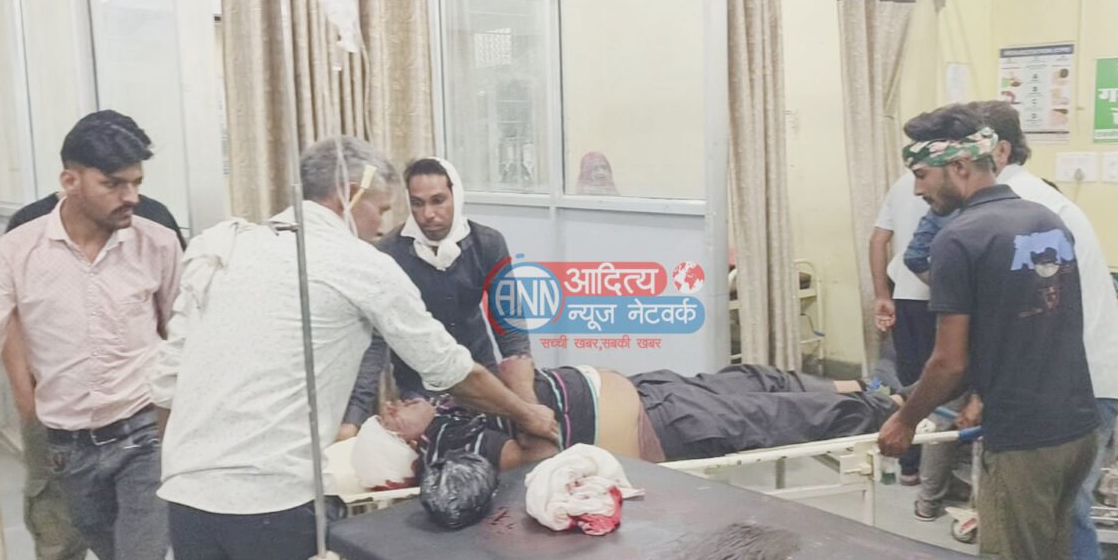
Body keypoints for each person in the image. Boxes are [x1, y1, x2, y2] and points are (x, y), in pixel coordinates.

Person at [152, 136, 558, 560]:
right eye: (383, 208)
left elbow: (168, 381)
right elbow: (445, 367)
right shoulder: (364, 262)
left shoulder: (223, 248)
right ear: (351, 193)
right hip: (275, 502)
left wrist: (184, 467)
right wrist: (526, 415)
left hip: (188, 499)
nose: (383, 224)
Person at [878, 105, 1099, 560]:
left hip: (1024, 438)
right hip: (1079, 425)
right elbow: (1025, 329)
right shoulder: (1047, 219)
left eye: (921, 174)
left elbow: (949, 362)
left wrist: (905, 420)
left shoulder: (958, 239)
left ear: (960, 166)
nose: (917, 190)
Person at [0, 110, 181, 560]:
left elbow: (182, 335)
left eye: (136, 183)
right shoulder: (15, 252)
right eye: (113, 184)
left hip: (143, 436)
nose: (130, 196)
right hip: (68, 447)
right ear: (70, 181)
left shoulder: (157, 243)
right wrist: (26, 399)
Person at [377, 357, 900, 471]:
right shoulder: (454, 445)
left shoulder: (451, 402)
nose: (394, 405)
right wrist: (525, 402)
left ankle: (867, 387)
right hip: (656, 428)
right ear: (408, 445)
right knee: (775, 416)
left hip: (647, 390)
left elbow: (518, 363)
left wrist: (520, 392)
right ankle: (892, 411)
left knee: (754, 379)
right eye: (390, 420)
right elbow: (538, 455)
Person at [349, 157, 529, 425]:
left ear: (457, 196)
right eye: (417, 203)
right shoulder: (388, 254)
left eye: (438, 201)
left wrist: (526, 404)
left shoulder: (488, 244)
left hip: (483, 379)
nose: (428, 214)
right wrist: (353, 418)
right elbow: (374, 343)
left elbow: (509, 323)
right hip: (420, 391)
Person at [870, 170, 932, 488]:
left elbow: (878, 240)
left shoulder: (902, 183)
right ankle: (935, 473)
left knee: (911, 381)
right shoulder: (958, 182)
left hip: (905, 294)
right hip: (942, 295)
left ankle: (910, 465)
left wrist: (882, 295)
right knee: (943, 381)